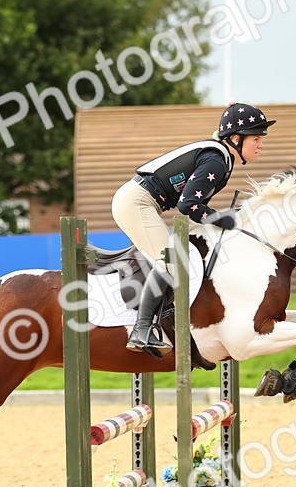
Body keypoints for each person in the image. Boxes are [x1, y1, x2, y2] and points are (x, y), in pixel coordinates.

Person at [112, 102, 275, 354]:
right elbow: (188, 205)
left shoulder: (221, 155)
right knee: (171, 259)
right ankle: (141, 329)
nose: (261, 144)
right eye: (256, 138)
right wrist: (222, 219)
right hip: (137, 202)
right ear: (235, 138)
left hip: (145, 201)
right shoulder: (217, 160)